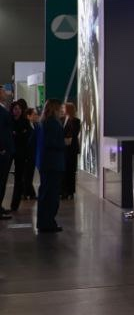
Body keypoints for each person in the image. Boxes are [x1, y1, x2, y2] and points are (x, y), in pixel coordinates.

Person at [36, 99, 67, 233]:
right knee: (51, 195)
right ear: (55, 109)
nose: (62, 111)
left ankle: (45, 222)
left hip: (47, 163)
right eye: (60, 108)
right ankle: (47, 222)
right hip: (52, 164)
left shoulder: (45, 122)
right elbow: (52, 143)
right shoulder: (52, 123)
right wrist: (64, 143)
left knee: (46, 193)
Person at [10, 100, 34, 211]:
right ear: (12, 110)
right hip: (10, 152)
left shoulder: (25, 121)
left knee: (19, 178)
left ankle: (15, 204)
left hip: (21, 154)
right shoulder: (9, 121)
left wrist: (17, 134)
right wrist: (19, 134)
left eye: (19, 109)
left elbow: (27, 135)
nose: (17, 111)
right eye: (15, 109)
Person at [61, 102, 81, 200]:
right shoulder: (61, 120)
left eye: (64, 108)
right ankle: (64, 191)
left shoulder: (76, 121)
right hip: (64, 149)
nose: (62, 110)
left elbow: (75, 133)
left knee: (71, 170)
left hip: (72, 149)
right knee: (64, 170)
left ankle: (71, 191)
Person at [0, 90, 13, 220]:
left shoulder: (3, 109)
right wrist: (2, 148)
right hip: (2, 152)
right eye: (2, 91)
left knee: (3, 181)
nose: (5, 93)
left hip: (6, 150)